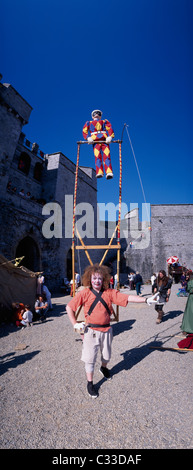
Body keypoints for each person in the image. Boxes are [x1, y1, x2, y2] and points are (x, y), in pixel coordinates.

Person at [66, 263, 156, 398]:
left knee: (107, 356)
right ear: (90, 279)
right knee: (89, 359)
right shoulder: (84, 293)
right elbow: (69, 307)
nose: (97, 281)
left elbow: (127, 298)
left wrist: (146, 300)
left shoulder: (109, 293)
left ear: (104, 280)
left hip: (107, 330)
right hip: (90, 331)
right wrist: (75, 324)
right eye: (94, 278)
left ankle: (103, 367)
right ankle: (90, 383)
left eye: (99, 278)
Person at [82, 110, 114, 179]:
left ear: (100, 115)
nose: (96, 114)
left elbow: (110, 128)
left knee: (107, 156)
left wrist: (110, 136)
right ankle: (99, 172)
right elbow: (84, 130)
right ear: (92, 115)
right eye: (95, 113)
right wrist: (88, 138)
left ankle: (109, 172)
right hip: (95, 141)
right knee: (97, 157)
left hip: (104, 140)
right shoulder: (89, 123)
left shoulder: (104, 122)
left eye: (98, 113)